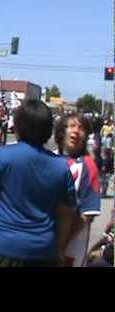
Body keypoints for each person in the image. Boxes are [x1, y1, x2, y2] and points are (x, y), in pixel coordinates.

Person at [0, 100, 77, 267]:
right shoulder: (61, 167)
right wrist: (59, 246)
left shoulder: (3, 156)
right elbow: (66, 212)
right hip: (42, 249)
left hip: (1, 244)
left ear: (18, 127)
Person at [58, 113, 102, 267]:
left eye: (81, 128)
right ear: (62, 131)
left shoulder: (88, 166)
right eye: (71, 126)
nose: (76, 131)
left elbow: (86, 216)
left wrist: (60, 244)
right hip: (43, 245)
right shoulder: (51, 159)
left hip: (71, 250)